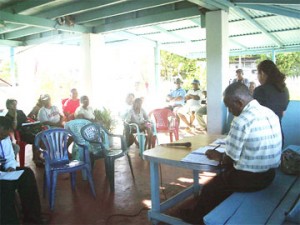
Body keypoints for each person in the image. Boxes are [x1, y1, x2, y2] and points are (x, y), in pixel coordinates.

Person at [180, 82, 282, 224]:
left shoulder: (241, 121)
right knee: (222, 183)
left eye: (229, 107)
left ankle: (197, 219)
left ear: (239, 102)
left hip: (252, 179)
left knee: (209, 189)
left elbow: (229, 159)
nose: (230, 111)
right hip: (270, 174)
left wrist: (219, 155)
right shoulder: (269, 112)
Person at [0, 116, 50, 225]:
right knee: (5, 186)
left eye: (5, 135)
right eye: (1, 135)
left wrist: (11, 167)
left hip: (3, 171)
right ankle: (10, 221)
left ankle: (33, 217)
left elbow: (9, 158)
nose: (3, 137)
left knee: (27, 174)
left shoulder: (4, 138)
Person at [253, 60, 289, 147]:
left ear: (262, 73)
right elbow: (283, 113)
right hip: (278, 135)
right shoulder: (284, 90)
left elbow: (253, 115)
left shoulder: (260, 90)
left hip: (262, 138)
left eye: (257, 73)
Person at [5, 99, 44, 167]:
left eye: (15, 104)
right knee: (36, 138)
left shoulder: (20, 112)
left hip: (27, 129)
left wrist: (31, 123)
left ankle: (37, 156)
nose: (15, 106)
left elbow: (26, 120)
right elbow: (14, 128)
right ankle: (35, 159)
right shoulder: (7, 117)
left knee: (43, 136)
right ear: (8, 106)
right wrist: (15, 116)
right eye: (13, 104)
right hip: (20, 134)